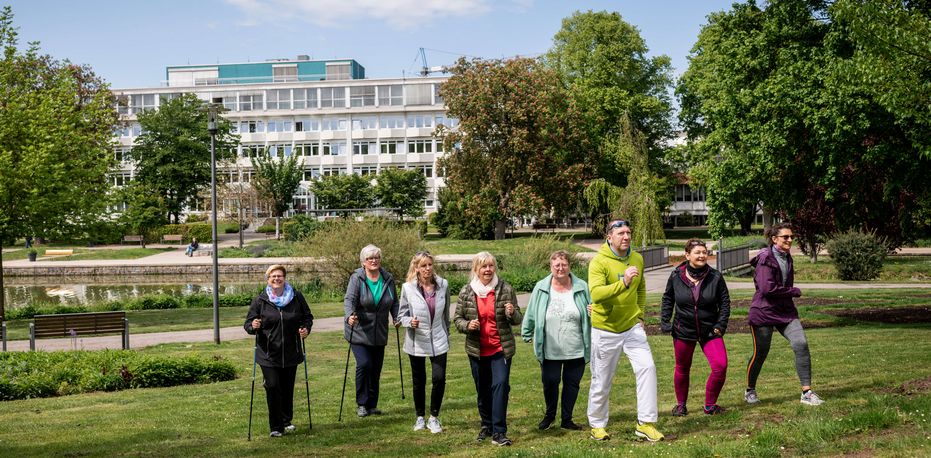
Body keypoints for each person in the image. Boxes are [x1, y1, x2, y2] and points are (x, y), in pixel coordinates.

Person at [586, 219, 663, 442]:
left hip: (631, 327)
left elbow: (641, 288)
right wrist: (624, 283)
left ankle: (645, 423)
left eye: (629, 232)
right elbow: (597, 294)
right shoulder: (598, 262)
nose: (626, 236)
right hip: (605, 329)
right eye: (621, 233)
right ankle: (597, 425)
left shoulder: (637, 258)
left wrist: (639, 314)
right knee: (602, 379)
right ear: (609, 237)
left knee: (647, 368)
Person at [746, 222, 824, 406]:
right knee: (761, 353)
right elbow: (766, 289)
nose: (790, 240)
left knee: (801, 343)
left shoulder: (786, 256)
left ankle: (807, 393)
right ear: (774, 239)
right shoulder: (765, 258)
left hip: (785, 312)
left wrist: (788, 294)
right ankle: (750, 390)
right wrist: (792, 291)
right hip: (763, 312)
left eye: (791, 237)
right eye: (786, 237)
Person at [454, 251, 522, 447]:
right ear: (476, 269)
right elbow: (457, 319)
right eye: (484, 266)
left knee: (500, 386)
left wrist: (511, 313)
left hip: (500, 349)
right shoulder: (467, 291)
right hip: (477, 350)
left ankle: (499, 432)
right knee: (483, 390)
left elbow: (518, 319)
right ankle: (487, 424)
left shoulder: (505, 289)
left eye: (491, 266)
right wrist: (468, 326)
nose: (488, 270)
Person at [520, 250, 591, 431]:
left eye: (564, 264)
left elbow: (593, 309)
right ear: (551, 267)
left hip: (576, 346)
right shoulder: (541, 287)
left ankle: (567, 419)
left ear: (569, 266)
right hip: (550, 347)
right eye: (556, 265)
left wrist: (593, 312)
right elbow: (532, 312)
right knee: (550, 382)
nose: (560, 268)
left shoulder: (582, 286)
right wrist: (527, 331)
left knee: (572, 384)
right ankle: (549, 416)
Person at [660, 239, 731, 416]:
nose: (701, 255)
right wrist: (665, 320)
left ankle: (709, 406)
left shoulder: (715, 276)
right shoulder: (676, 275)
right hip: (683, 330)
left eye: (704, 252)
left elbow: (725, 303)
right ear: (687, 255)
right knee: (682, 368)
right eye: (697, 252)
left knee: (720, 366)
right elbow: (668, 298)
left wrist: (720, 325)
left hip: (710, 331)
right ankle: (681, 405)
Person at [244, 264, 314, 438]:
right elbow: (248, 324)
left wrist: (305, 328)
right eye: (273, 276)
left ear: (284, 278)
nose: (277, 279)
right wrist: (253, 326)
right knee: (273, 386)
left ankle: (286, 420)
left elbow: (307, 317)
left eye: (279, 276)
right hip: (268, 353)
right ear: (268, 280)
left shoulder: (296, 297)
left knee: (287, 388)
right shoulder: (260, 300)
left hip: (291, 351)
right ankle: (275, 426)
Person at [398, 251, 450, 433]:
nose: (428, 269)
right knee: (419, 380)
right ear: (416, 268)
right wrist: (408, 322)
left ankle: (434, 417)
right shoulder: (407, 288)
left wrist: (446, 334)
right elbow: (400, 316)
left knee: (439, 378)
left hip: (439, 339)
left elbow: (446, 315)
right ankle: (420, 417)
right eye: (423, 265)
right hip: (416, 341)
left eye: (430, 264)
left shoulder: (443, 285)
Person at [345, 244, 399, 417]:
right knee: (364, 364)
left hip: (379, 331)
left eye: (376, 257)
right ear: (363, 262)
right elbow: (349, 300)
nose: (374, 260)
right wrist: (349, 316)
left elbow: (394, 302)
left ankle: (372, 404)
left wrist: (397, 317)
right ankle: (361, 403)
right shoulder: (357, 278)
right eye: (370, 258)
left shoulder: (388, 278)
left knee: (376, 369)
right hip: (359, 330)